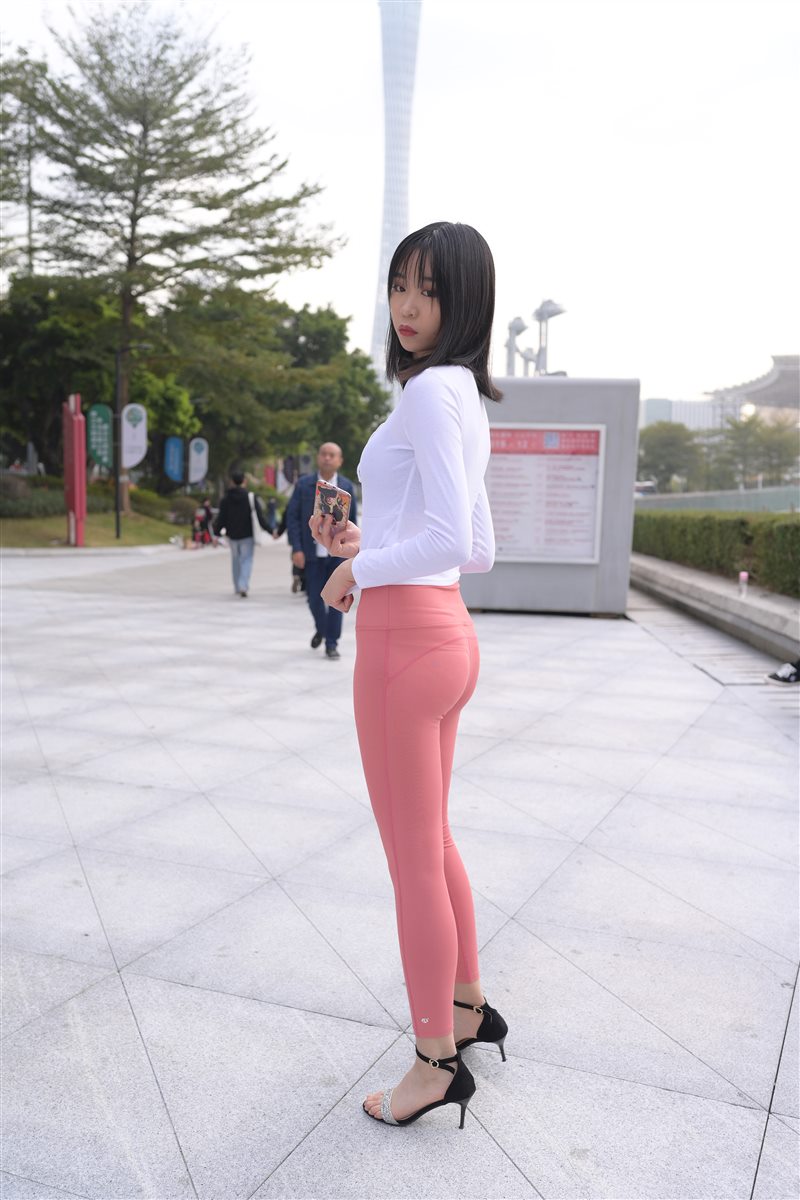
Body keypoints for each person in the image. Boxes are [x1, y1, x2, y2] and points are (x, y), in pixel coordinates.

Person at [309, 222, 507, 1129]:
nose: (407, 306)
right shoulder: (464, 394)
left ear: (464, 299)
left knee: (411, 860)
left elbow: (457, 539)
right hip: (448, 637)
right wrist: (367, 543)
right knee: (433, 843)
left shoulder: (429, 393)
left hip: (403, 645)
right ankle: (466, 1008)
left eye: (428, 289)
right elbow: (476, 549)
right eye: (398, 286)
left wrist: (359, 569)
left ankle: (434, 1063)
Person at [285, 443, 358, 658]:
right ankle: (322, 629)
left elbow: (352, 522)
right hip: (312, 553)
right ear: (318, 458)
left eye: (332, 455)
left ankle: (331, 643)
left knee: (338, 598)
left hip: (337, 555)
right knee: (314, 599)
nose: (327, 458)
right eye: (324, 454)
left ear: (339, 460)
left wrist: (351, 551)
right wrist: (296, 548)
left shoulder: (347, 487)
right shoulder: (304, 485)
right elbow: (293, 517)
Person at [212, 470, 270, 597]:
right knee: (246, 559)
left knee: (235, 560)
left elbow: (221, 518)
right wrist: (271, 531)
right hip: (247, 535)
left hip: (232, 535)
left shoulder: (226, 499)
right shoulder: (250, 497)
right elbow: (259, 517)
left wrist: (216, 535)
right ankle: (243, 584)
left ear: (232, 482)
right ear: (244, 481)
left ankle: (237, 587)